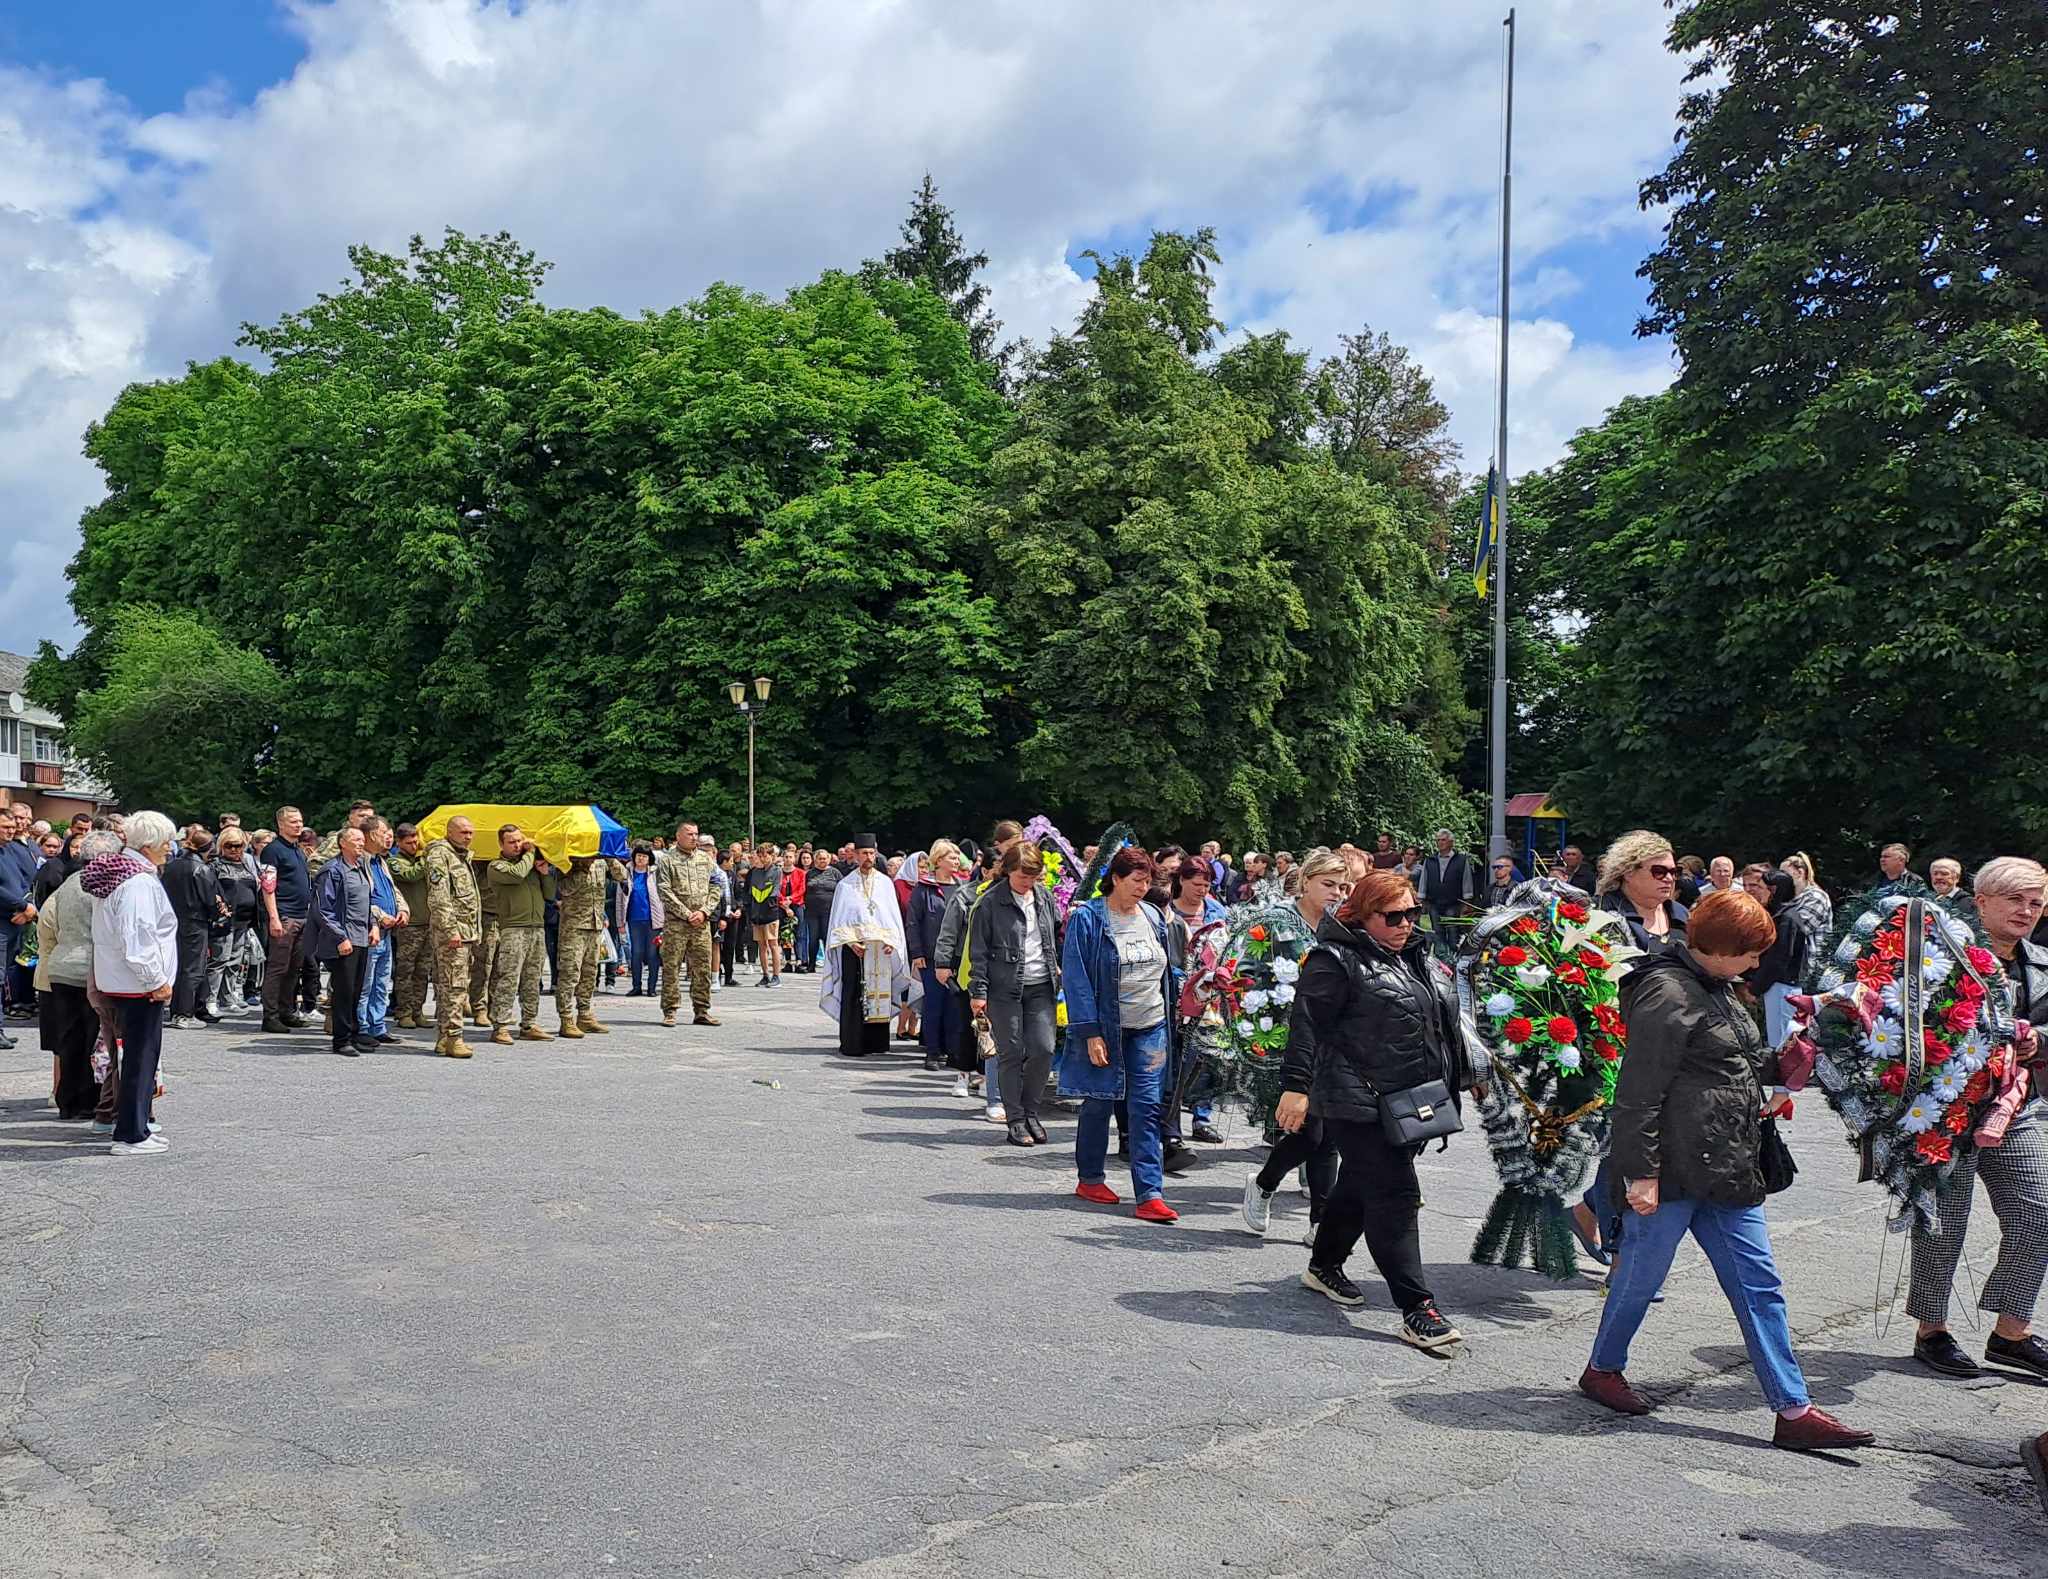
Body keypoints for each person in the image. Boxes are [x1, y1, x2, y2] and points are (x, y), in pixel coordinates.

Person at [1579, 889, 1875, 1451]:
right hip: (1671, 1169)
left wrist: (1787, 1063)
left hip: (1727, 1164)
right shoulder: (1666, 993)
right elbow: (1637, 1094)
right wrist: (1641, 1174)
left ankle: (1794, 1410)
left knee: (1761, 1286)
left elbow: (1731, 1060)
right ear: (1716, 949)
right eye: (1750, 953)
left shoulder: (1715, 986)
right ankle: (1602, 1369)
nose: (1758, 964)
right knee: (1639, 1282)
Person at [1278, 869, 1476, 1350]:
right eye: (1393, 916)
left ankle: (1324, 1265)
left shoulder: (1414, 956)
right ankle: (1417, 1308)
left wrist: (1470, 1074)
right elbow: (1306, 1026)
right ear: (1364, 916)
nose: (1406, 923)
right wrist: (1296, 1088)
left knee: (1359, 1185)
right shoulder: (1335, 960)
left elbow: (1442, 1022)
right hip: (1355, 1098)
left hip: (1410, 1099)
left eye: (1412, 912)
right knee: (1396, 1196)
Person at [1906, 856, 2048, 1382]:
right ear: (1980, 901)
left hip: (2016, 1106)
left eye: (2035, 902)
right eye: (2014, 899)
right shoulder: (1942, 956)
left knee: (2039, 1211)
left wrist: (2039, 1041)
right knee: (1944, 1223)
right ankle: (1932, 1330)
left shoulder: (2041, 962)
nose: (2026, 911)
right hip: (1945, 1109)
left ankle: (2011, 1333)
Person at [1060, 847, 1178, 1221]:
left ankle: (1149, 1194)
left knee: (1146, 1108)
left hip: (1150, 1024)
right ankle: (1090, 1177)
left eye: (1148, 881)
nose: (1143, 888)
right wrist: (1090, 1032)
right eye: (1137, 881)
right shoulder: (1089, 919)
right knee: (1099, 1101)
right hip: (1108, 1025)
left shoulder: (1154, 916)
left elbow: (1166, 968)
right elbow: (1076, 978)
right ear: (1115, 878)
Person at [1242, 848, 1348, 1242]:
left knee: (1329, 1131)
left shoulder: (1341, 926)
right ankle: (1266, 1182)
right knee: (1313, 1132)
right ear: (1305, 882)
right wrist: (1264, 1009)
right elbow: (1249, 972)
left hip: (1332, 1037)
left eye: (1341, 886)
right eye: (1328, 884)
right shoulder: (1276, 922)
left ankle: (1319, 1220)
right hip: (1288, 1035)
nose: (1336, 892)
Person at [85, 811, 179, 1155]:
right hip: (138, 984)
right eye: (166, 842)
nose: (170, 848)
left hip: (126, 980)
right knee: (140, 1059)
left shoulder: (128, 875)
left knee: (140, 1058)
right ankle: (130, 1133)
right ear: (150, 844)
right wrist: (156, 979)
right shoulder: (136, 881)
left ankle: (136, 1125)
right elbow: (138, 937)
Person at [963, 841, 1060, 1146]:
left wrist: (1058, 965)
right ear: (1007, 872)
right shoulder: (989, 903)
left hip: (1042, 984)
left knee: (1043, 1049)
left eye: (1033, 878)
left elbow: (1056, 934)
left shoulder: (1044, 897)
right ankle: (1015, 1119)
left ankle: (1031, 1112)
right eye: (1022, 877)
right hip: (1003, 988)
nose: (1027, 883)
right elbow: (977, 951)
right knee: (1011, 1052)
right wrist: (978, 992)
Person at [35, 831, 120, 1119]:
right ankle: (91, 1101)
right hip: (90, 969)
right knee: (94, 1039)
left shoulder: (69, 883)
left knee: (69, 1037)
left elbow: (49, 921)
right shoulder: (102, 884)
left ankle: (68, 1101)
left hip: (62, 966)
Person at [938, 821, 1020, 1109]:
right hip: (969, 966)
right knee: (967, 1025)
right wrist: (942, 962)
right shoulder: (970, 896)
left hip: (1006, 974)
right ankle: (963, 1074)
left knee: (991, 1031)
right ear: (985, 869)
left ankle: (988, 1078)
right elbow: (950, 932)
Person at [819, 834, 918, 1058]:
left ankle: (877, 1042)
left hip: (880, 951)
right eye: (864, 853)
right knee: (854, 993)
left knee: (878, 993)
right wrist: (852, 942)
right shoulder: (845, 885)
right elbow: (838, 920)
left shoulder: (885, 883)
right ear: (855, 855)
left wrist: (892, 943)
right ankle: (853, 1043)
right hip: (853, 950)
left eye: (872, 853)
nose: (869, 857)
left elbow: (892, 918)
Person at [1165, 855, 1229, 1144]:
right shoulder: (1165, 910)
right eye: (1196, 884)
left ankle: (1202, 1117)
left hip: (1211, 997)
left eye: (1206, 885)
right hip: (1174, 996)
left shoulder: (1217, 911)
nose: (1202, 890)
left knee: (1210, 1058)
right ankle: (1171, 1119)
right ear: (1181, 880)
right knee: (1179, 1061)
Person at [310, 825, 377, 1058]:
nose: (361, 843)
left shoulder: (360, 868)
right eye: (355, 839)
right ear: (342, 844)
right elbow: (323, 909)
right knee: (344, 990)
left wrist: (374, 925)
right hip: (343, 939)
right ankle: (341, 1040)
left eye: (362, 839)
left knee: (357, 989)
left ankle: (354, 1033)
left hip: (362, 938)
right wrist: (340, 936)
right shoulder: (333, 870)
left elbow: (365, 901)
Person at [486, 825, 556, 1046]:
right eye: (511, 842)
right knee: (508, 977)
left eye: (519, 840)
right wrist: (530, 852)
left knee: (533, 979)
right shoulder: (497, 866)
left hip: (537, 927)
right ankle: (500, 1025)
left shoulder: (531, 866)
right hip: (514, 928)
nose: (517, 845)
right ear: (501, 844)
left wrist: (544, 874)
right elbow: (516, 875)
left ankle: (529, 1023)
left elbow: (550, 894)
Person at [904, 839, 964, 1073]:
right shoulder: (924, 888)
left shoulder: (961, 887)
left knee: (954, 1004)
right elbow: (913, 922)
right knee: (934, 1003)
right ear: (938, 861)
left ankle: (951, 1049)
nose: (956, 861)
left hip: (956, 957)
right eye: (952, 857)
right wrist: (916, 952)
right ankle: (932, 1050)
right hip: (930, 956)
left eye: (957, 857)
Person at [423, 817, 480, 1059]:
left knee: (452, 985)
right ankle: (454, 1037)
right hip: (453, 932)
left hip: (466, 931)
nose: (468, 836)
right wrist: (450, 931)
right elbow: (440, 898)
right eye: (464, 832)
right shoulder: (440, 855)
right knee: (454, 986)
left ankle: (445, 1037)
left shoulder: (461, 855)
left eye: (470, 832)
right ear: (450, 832)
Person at [655, 823, 721, 1028]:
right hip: (676, 924)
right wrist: (686, 913)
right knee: (671, 967)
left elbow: (716, 886)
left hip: (701, 923)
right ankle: (670, 1010)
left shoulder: (705, 859)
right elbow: (664, 890)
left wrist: (704, 912)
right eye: (689, 834)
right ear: (678, 836)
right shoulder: (667, 860)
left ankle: (702, 1010)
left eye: (696, 834)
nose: (694, 838)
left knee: (702, 967)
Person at [555, 852, 627, 1038]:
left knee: (590, 973)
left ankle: (585, 1015)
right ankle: (566, 1019)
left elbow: (623, 876)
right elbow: (564, 888)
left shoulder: (602, 861)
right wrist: (583, 868)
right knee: (570, 973)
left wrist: (610, 857)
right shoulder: (568, 859)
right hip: (574, 926)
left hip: (595, 925)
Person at [161, 825, 223, 1029]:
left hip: (173, 920)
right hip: (195, 922)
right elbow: (209, 900)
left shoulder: (172, 865)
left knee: (177, 966)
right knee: (193, 968)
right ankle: (184, 1014)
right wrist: (217, 915)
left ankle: (177, 1011)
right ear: (208, 848)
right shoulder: (201, 869)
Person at [258, 805, 314, 1033]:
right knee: (277, 967)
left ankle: (286, 1010)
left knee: (294, 968)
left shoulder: (298, 850)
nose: (298, 825)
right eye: (293, 821)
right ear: (280, 824)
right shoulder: (273, 850)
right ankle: (269, 1016)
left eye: (300, 821)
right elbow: (268, 885)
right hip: (284, 914)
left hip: (302, 915)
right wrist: (274, 918)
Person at [355, 816, 406, 1046]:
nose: (388, 836)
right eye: (384, 832)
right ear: (370, 835)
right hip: (369, 931)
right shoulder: (359, 861)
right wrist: (378, 915)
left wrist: (403, 909)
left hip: (387, 932)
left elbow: (392, 890)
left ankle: (378, 1026)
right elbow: (359, 897)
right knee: (365, 983)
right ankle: (362, 1026)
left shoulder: (381, 861)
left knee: (381, 982)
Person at [1747, 870, 1811, 1048]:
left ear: (1774, 890)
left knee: (1781, 1043)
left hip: (1783, 988)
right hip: (1775, 986)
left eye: (1761, 888)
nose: (1756, 892)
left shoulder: (1787, 918)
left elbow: (1778, 959)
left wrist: (1755, 988)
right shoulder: (1780, 914)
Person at [206, 828, 260, 1018]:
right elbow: (210, 889)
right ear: (222, 846)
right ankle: (211, 999)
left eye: (238, 846)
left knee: (236, 960)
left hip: (244, 920)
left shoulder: (247, 864)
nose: (234, 850)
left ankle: (228, 996)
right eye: (229, 846)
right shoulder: (216, 866)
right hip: (224, 920)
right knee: (220, 959)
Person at [387, 824, 432, 1028]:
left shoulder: (421, 860)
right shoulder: (394, 861)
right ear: (399, 842)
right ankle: (403, 1012)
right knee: (405, 971)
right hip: (409, 926)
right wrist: (425, 856)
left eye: (416, 841)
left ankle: (417, 1010)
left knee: (422, 972)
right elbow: (410, 875)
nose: (414, 845)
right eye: (409, 842)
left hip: (426, 923)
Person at [1416, 829, 1477, 935]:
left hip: (1453, 902)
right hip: (1434, 902)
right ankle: (1441, 952)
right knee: (1437, 931)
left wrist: (1467, 902)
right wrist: (1421, 898)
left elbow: (1466, 880)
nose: (1440, 843)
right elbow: (1424, 879)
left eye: (1443, 840)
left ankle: (1453, 950)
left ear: (1451, 842)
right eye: (1438, 840)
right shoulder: (1430, 860)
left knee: (1453, 931)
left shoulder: (1461, 860)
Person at [620, 845, 662, 997]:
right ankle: (636, 986)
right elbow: (621, 898)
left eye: (644, 856)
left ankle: (652, 987)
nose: (641, 858)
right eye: (638, 855)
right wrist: (620, 922)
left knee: (652, 954)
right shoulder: (626, 873)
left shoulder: (655, 873)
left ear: (649, 858)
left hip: (653, 919)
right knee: (636, 953)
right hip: (634, 918)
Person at [744, 843, 786, 987]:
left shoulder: (776, 871)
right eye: (760, 856)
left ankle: (776, 976)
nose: (762, 858)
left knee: (773, 943)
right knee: (761, 945)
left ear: (772, 856)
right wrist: (750, 911)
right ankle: (765, 975)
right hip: (756, 912)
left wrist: (767, 907)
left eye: (765, 855)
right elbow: (750, 892)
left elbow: (774, 892)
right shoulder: (754, 872)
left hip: (770, 912)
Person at [1777, 852, 1832, 959]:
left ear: (1799, 872)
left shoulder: (1817, 897)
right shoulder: (1791, 898)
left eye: (1784, 873)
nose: (1780, 878)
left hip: (1808, 967)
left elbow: (1795, 930)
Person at [801, 848, 838, 975]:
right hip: (812, 912)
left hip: (829, 911)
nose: (822, 861)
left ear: (829, 859)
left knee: (828, 938)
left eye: (824, 858)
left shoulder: (835, 873)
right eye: (820, 858)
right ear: (815, 860)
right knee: (813, 939)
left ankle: (831, 966)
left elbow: (842, 889)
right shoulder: (810, 874)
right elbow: (803, 890)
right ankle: (811, 965)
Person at [781, 855, 809, 975]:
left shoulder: (801, 873)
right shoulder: (778, 873)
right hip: (782, 905)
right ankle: (787, 961)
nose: (788, 859)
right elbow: (776, 889)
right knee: (785, 934)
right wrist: (785, 903)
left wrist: (791, 899)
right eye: (786, 857)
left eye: (790, 857)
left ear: (794, 859)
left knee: (799, 933)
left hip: (797, 904)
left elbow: (802, 889)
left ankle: (799, 960)